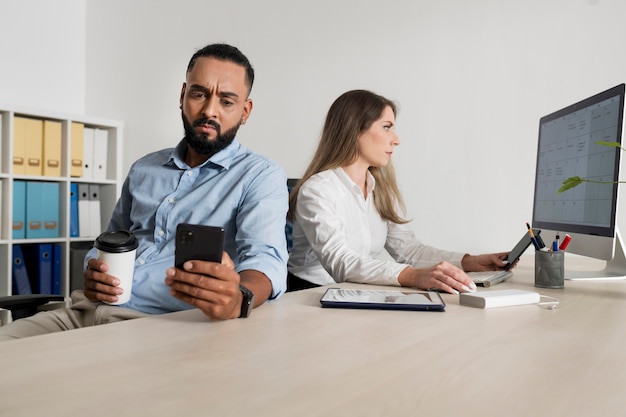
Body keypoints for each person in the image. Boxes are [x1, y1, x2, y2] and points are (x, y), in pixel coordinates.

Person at [0, 43, 288, 341]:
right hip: (81, 312)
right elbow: (109, 241)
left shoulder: (260, 175)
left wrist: (239, 297)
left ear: (245, 111)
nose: (209, 110)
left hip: (161, 327)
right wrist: (94, 271)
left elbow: (266, 261)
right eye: (199, 94)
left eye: (226, 101)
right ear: (182, 96)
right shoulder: (144, 168)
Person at [287, 89, 509, 293]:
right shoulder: (317, 190)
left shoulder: (379, 188)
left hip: (356, 291)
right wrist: (413, 276)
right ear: (354, 129)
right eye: (387, 127)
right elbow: (340, 262)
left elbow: (409, 252)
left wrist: (470, 262)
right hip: (309, 294)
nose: (396, 139)